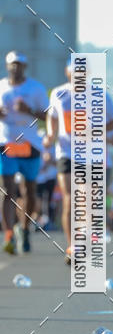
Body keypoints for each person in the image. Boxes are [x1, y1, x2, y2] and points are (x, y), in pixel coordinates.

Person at [46, 63, 113, 264]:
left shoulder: (100, 95)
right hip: (66, 152)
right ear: (67, 73)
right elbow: (52, 117)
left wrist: (95, 129)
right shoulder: (59, 94)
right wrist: (50, 135)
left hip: (91, 155)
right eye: (74, 73)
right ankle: (72, 247)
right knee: (69, 197)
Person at [0, 52, 48, 254]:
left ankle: (25, 228)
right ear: (7, 65)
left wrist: (29, 110)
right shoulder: (1, 86)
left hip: (30, 144)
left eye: (19, 65)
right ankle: (9, 233)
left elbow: (47, 116)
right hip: (6, 142)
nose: (15, 68)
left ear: (24, 67)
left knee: (29, 190)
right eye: (12, 64)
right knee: (7, 191)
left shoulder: (35, 88)